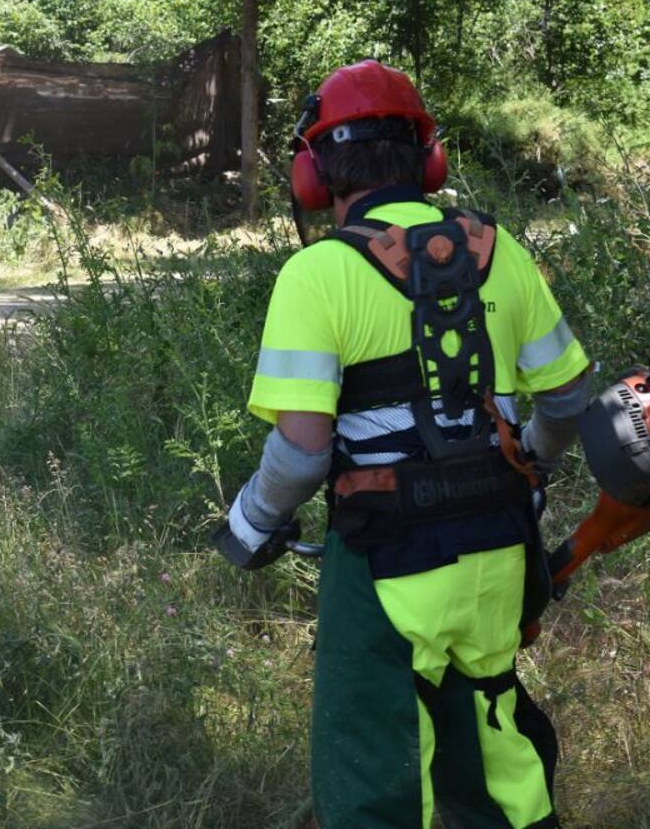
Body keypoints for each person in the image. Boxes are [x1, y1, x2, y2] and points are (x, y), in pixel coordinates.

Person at [215, 60, 592, 828]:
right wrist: (534, 465)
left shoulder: (318, 274)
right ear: (429, 159)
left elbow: (300, 455)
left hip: (386, 561)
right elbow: (568, 398)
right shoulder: (498, 250)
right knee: (493, 743)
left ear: (314, 174)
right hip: (497, 554)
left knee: (377, 772)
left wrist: (250, 525)